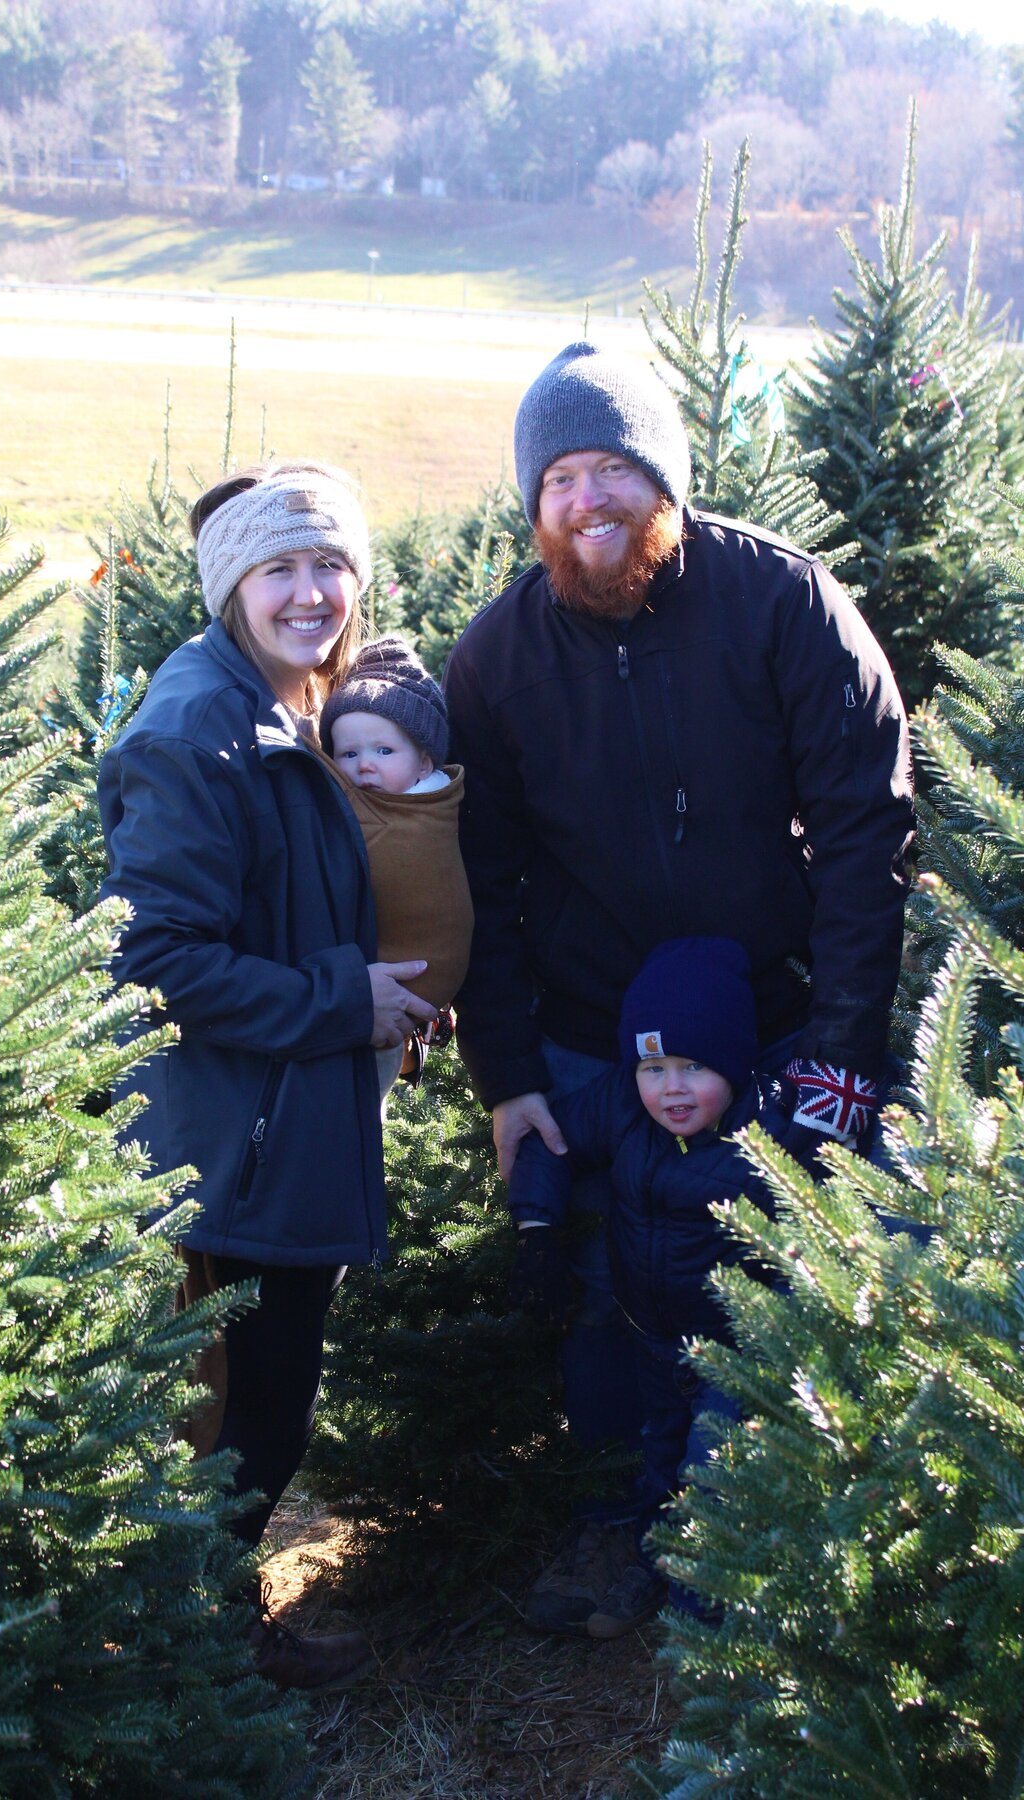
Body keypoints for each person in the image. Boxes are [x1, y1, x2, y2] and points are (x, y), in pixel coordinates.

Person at [443, 341, 914, 1634]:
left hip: (775, 1025)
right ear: (533, 502)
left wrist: (838, 1047)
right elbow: (482, 881)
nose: (589, 500)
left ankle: (779, 1550)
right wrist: (512, 1079)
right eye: (562, 477)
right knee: (613, 1292)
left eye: (616, 470)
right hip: (603, 1041)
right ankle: (612, 1528)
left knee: (781, 1281)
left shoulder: (781, 601)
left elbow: (869, 825)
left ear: (667, 484)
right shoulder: (497, 659)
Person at [97, 459, 436, 1690]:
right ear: (231, 585)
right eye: (280, 569)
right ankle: (196, 1670)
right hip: (225, 1138)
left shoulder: (303, 707)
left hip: (284, 1118)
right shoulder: (199, 727)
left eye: (330, 565)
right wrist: (344, 1001)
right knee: (246, 1413)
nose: (311, 593)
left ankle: (207, 1641)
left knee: (260, 1405)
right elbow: (153, 957)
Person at [509, 937, 794, 1636]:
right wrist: (538, 1229)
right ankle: (656, 1570)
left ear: (732, 1061)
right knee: (661, 1461)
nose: (671, 1087)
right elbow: (550, 1138)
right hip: (654, 1344)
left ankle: (708, 1630)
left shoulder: (770, 1129)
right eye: (653, 1066)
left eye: (693, 1067)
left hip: (737, 1356)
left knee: (714, 1473)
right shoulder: (623, 1107)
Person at [320, 635, 474, 1097]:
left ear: (425, 760)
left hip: (400, 987)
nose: (364, 766)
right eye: (348, 754)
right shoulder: (405, 791)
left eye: (383, 752)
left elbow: (314, 770)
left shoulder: (417, 810)